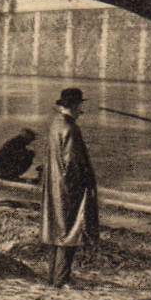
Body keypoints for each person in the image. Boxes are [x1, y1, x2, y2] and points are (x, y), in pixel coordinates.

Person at [39, 88, 98, 287]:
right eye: (80, 106)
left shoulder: (55, 124)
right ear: (73, 106)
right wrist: (85, 184)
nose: (81, 110)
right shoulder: (71, 129)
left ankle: (53, 276)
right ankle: (61, 279)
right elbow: (72, 162)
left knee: (57, 230)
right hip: (69, 187)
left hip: (55, 185)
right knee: (70, 231)